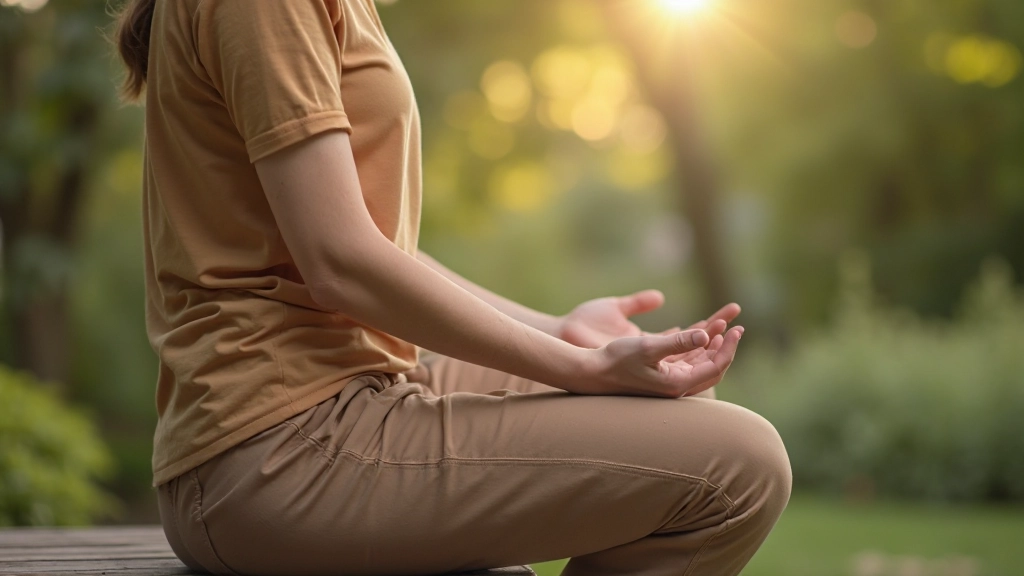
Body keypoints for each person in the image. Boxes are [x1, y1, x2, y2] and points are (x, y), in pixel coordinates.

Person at [114, 1, 791, 575]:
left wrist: (559, 330)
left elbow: (371, 250)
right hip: (279, 450)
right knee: (740, 466)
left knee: (679, 400)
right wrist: (581, 369)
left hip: (343, 400)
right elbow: (341, 261)